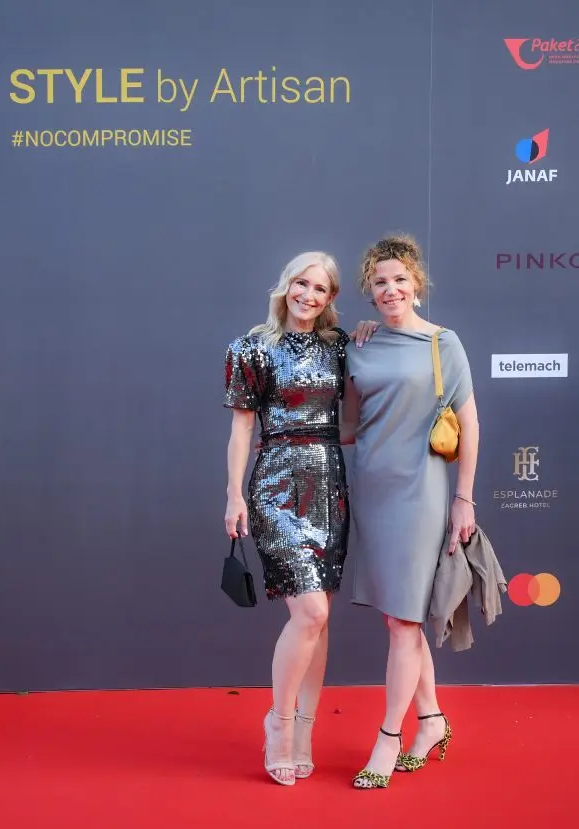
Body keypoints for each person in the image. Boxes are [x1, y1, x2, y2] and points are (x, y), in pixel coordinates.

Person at [341, 234, 480, 789]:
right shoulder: (360, 345)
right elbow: (350, 427)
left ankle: (388, 738)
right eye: (380, 282)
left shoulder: (444, 344)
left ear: (417, 283)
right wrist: (285, 436)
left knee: (404, 620)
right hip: (372, 493)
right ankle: (432, 720)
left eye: (400, 279)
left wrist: (464, 497)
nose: (391, 289)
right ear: (369, 290)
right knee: (396, 618)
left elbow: (470, 425)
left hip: (421, 494)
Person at [223, 251, 352, 787]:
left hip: (328, 485)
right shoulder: (251, 347)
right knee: (310, 612)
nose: (308, 295)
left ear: (330, 299)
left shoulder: (341, 346)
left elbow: (358, 413)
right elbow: (241, 429)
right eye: (302, 283)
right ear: (286, 285)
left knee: (320, 620)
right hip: (276, 484)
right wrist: (234, 495)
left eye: (320, 289)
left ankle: (304, 732)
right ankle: (278, 722)